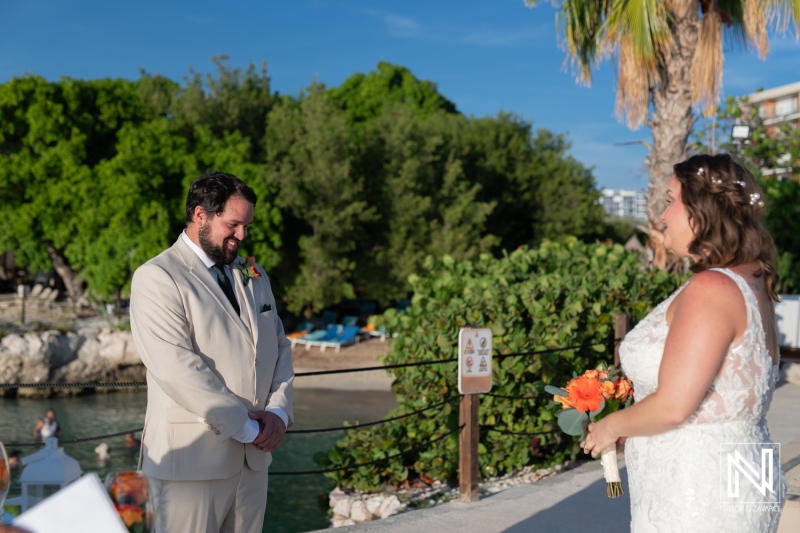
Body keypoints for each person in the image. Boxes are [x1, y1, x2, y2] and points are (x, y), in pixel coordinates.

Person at [581, 153, 785, 531]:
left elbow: (675, 406)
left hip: (698, 488)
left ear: (702, 211)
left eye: (671, 200)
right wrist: (636, 423)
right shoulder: (753, 281)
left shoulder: (712, 287)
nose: (662, 216)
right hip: (746, 470)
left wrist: (608, 428)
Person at [130, 172, 294, 533]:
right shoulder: (157, 277)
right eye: (233, 224)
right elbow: (176, 369)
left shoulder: (254, 274)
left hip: (254, 466)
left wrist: (279, 412)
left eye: (246, 225)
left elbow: (280, 347)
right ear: (200, 215)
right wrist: (249, 428)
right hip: (189, 467)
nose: (242, 236)